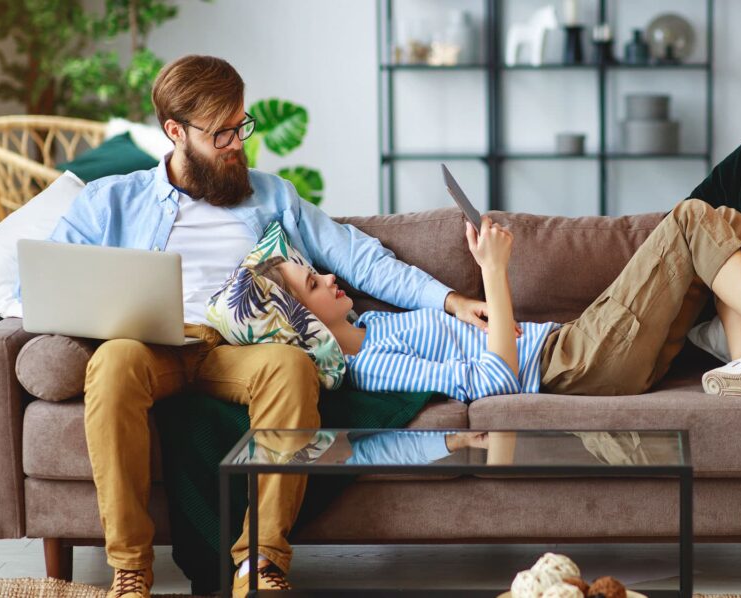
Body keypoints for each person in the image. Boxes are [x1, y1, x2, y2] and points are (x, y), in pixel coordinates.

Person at [44, 55, 493, 597]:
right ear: (175, 132)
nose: (237, 143)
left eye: (242, 125)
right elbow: (44, 280)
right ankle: (130, 568)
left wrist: (447, 298)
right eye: (221, 134)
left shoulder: (271, 196)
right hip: (152, 346)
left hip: (237, 351)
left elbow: (357, 256)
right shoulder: (112, 201)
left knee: (289, 365)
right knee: (112, 362)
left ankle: (260, 561)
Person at [257, 199, 741, 403]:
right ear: (301, 322)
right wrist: (493, 277)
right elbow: (494, 381)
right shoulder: (370, 363)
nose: (332, 280)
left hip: (572, 342)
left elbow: (472, 340)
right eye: (315, 286)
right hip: (567, 364)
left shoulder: (374, 325)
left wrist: (460, 304)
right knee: (693, 219)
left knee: (727, 221)